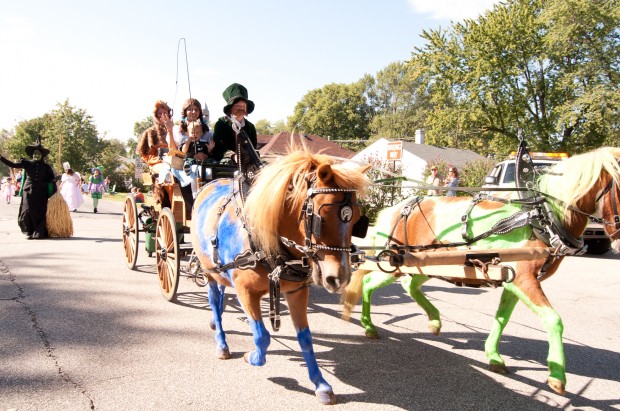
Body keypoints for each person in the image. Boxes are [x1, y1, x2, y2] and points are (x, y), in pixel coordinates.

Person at [0, 138, 57, 239]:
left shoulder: (46, 167)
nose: (36, 155)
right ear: (32, 155)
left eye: (38, 153)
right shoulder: (27, 163)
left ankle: (39, 232)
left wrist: (54, 180)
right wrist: (1, 158)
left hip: (41, 192)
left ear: (42, 155)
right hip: (28, 190)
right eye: (34, 153)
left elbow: (51, 178)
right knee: (27, 210)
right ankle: (28, 231)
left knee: (40, 211)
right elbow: (13, 165)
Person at [212, 83, 258, 163]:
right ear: (230, 108)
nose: (241, 108)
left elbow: (253, 148)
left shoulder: (250, 127)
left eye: (243, 105)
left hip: (246, 165)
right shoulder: (221, 124)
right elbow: (219, 148)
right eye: (237, 105)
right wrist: (233, 156)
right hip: (226, 166)